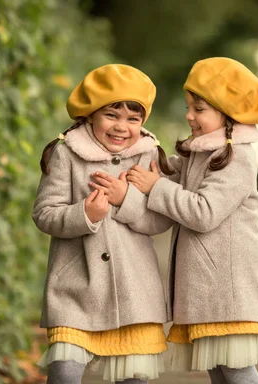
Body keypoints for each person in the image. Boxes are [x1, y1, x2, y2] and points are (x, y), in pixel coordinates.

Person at [126, 57, 258, 384]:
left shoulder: (237, 157)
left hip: (231, 290)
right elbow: (174, 175)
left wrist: (157, 186)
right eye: (189, 107)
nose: (189, 116)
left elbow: (204, 212)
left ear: (228, 113)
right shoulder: (203, 151)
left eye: (199, 109)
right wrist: (147, 160)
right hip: (211, 291)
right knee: (220, 371)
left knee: (237, 371)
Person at [32, 64, 173, 384]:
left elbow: (161, 220)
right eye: (112, 115)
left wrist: (127, 199)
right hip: (75, 288)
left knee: (133, 378)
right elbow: (44, 213)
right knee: (64, 373)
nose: (122, 127)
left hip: (134, 290)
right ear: (90, 115)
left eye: (133, 119)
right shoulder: (66, 153)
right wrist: (84, 214)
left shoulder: (149, 155)